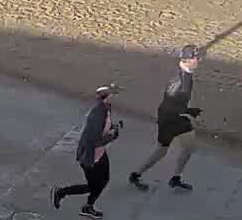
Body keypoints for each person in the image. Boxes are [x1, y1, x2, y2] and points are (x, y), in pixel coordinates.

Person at [131, 44, 204, 192]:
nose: (199, 60)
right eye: (196, 58)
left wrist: (187, 111)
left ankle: (176, 178)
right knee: (161, 151)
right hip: (169, 120)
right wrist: (189, 111)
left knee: (189, 147)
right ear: (188, 60)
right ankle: (135, 175)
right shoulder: (178, 80)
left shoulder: (187, 74)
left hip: (179, 118)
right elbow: (169, 104)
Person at [53, 84, 121, 216]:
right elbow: (95, 140)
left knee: (104, 180)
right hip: (90, 156)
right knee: (93, 186)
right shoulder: (97, 113)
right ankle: (62, 193)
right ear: (106, 97)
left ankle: (88, 206)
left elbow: (103, 127)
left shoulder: (106, 108)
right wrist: (112, 136)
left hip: (100, 154)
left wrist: (113, 127)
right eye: (112, 94)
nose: (113, 96)